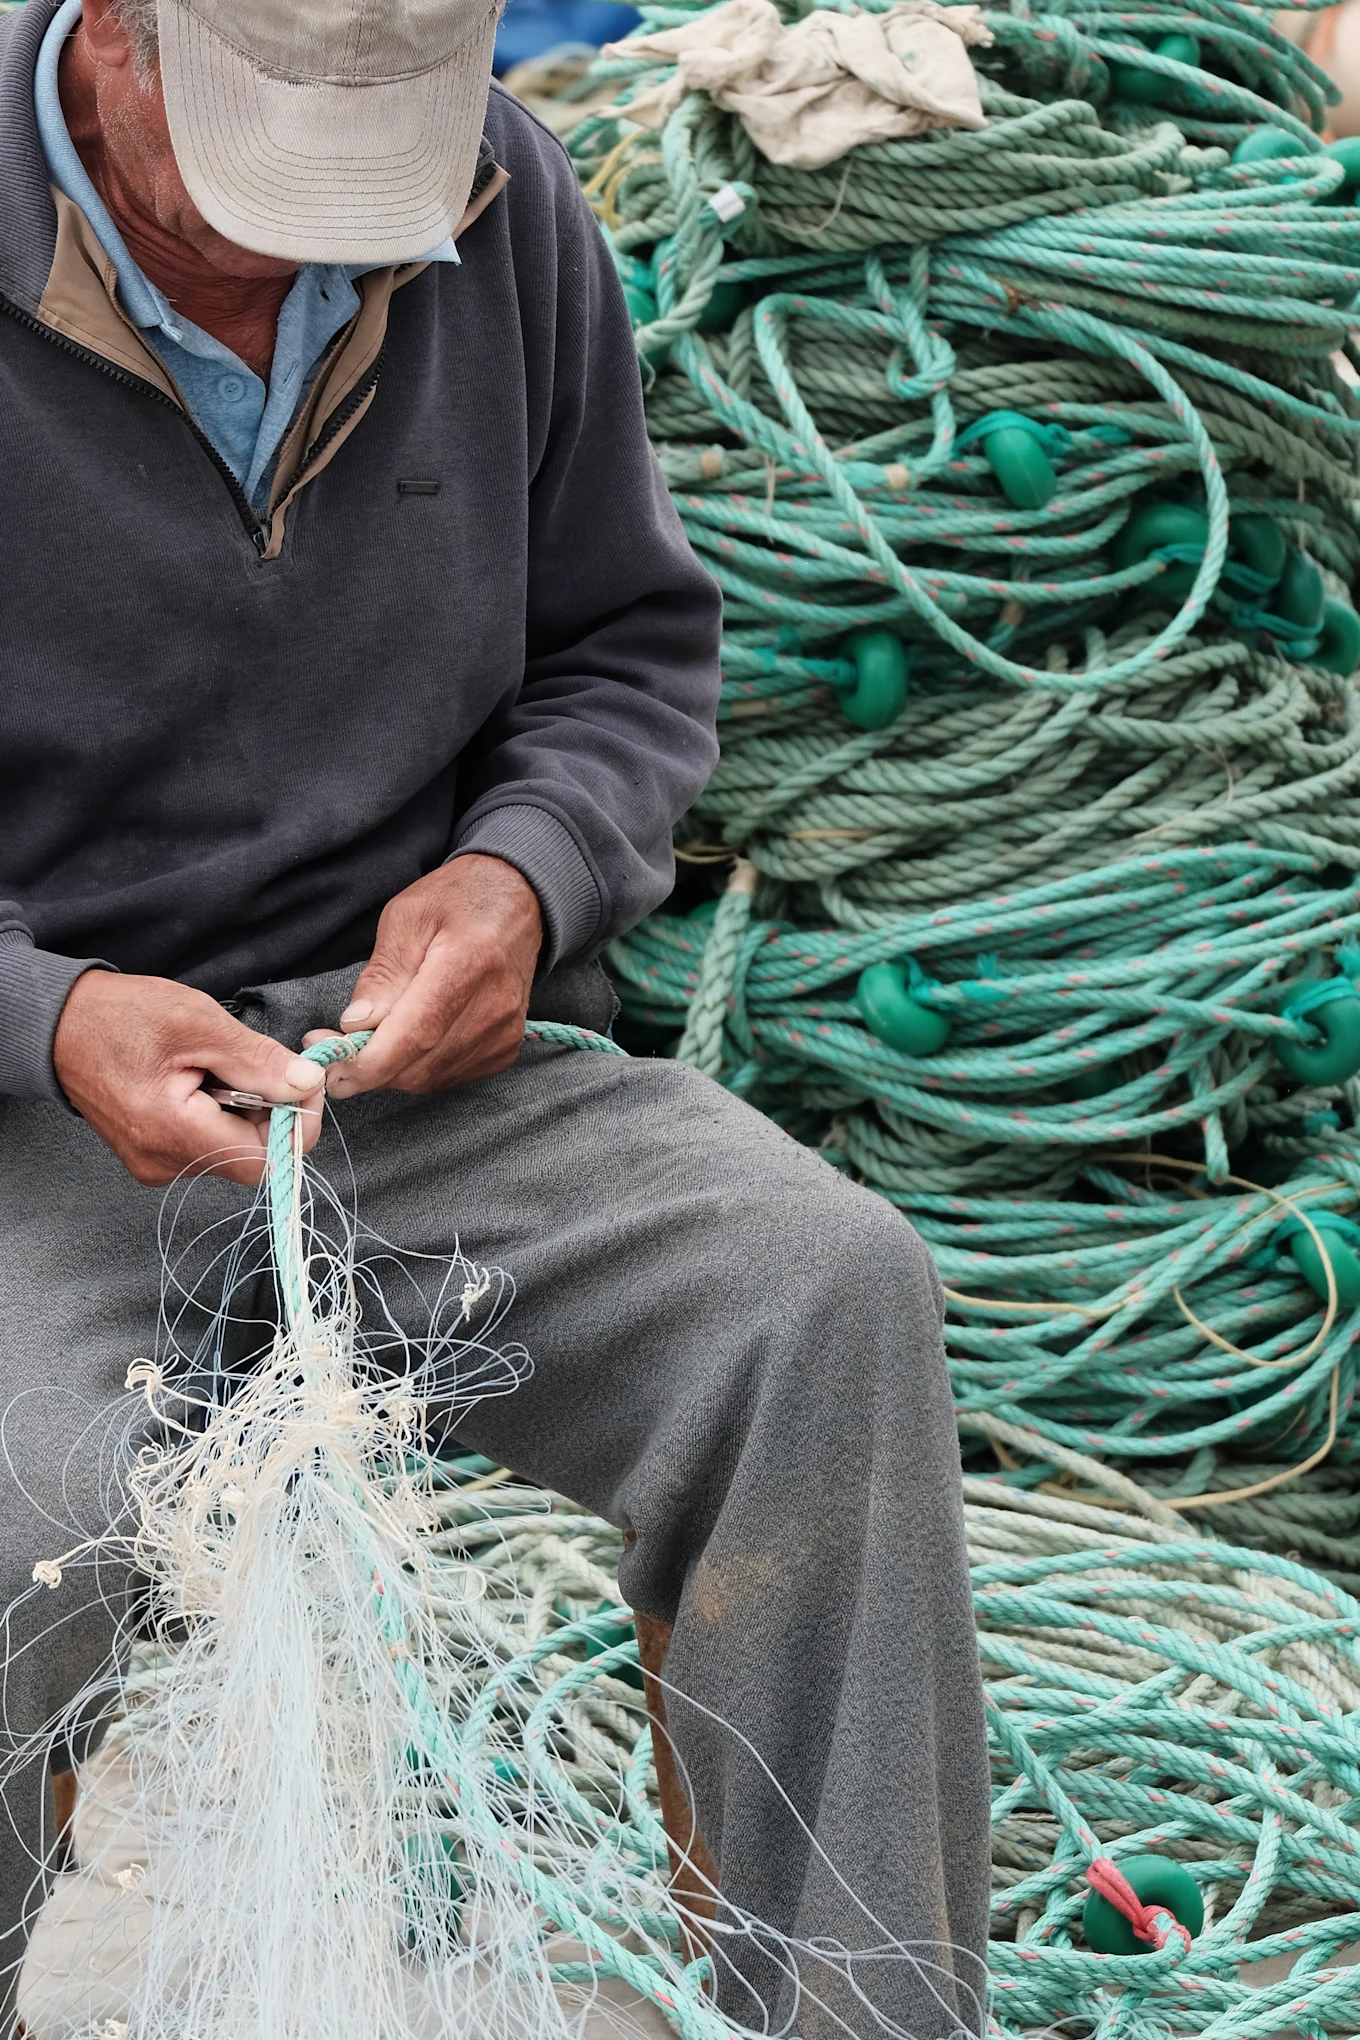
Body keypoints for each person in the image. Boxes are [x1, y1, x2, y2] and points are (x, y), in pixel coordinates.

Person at [0, 0, 989, 2030]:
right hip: (34, 1109)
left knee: (817, 1297)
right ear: (110, 36)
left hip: (413, 1075)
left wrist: (521, 877)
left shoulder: (498, 205)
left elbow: (624, 651)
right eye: (246, 186)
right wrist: (49, 1008)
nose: (301, 256)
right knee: (30, 1509)